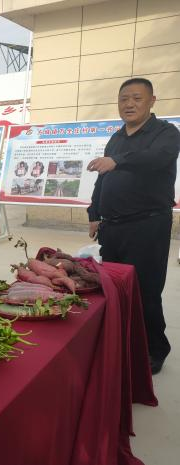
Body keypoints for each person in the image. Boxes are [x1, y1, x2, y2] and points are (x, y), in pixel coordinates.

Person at [87, 77, 180, 375]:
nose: (129, 104)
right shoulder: (116, 138)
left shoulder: (165, 133)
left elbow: (156, 159)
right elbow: (103, 179)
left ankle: (154, 349)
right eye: (124, 99)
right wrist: (94, 212)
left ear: (152, 101)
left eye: (137, 98)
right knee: (114, 288)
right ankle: (122, 340)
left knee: (145, 290)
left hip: (148, 226)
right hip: (113, 228)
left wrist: (117, 160)